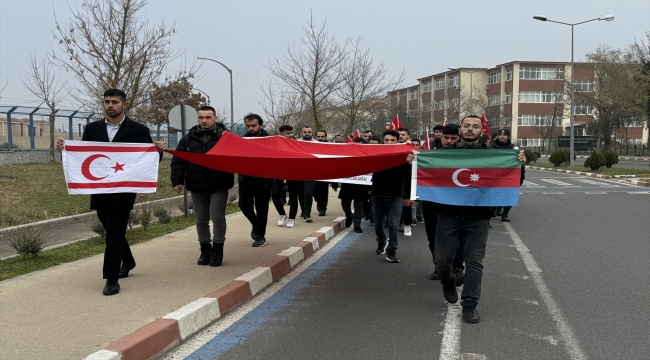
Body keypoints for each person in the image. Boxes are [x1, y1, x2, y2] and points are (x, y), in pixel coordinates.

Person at [55, 89, 167, 296]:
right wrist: (67, 150)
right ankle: (129, 261)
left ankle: (111, 279)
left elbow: (148, 161)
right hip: (98, 189)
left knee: (114, 234)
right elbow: (84, 155)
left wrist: (157, 151)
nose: (110, 105)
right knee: (111, 229)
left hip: (123, 191)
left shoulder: (138, 130)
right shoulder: (92, 128)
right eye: (106, 102)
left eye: (114, 102)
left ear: (125, 104)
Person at [434, 115, 525, 323]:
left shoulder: (493, 155)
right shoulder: (442, 154)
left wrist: (518, 164)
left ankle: (469, 305)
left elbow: (512, 181)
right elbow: (425, 175)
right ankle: (448, 281)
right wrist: (414, 163)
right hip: (448, 215)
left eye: (475, 127)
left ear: (481, 131)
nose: (470, 129)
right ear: (460, 130)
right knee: (442, 260)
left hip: (478, 217)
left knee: (474, 262)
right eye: (466, 126)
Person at [170, 106, 234, 267]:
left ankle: (218, 249)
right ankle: (205, 249)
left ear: (215, 118)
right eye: (201, 117)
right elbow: (179, 160)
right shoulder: (188, 138)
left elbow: (238, 157)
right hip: (196, 184)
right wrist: (177, 180)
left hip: (219, 183)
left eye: (208, 117)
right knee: (201, 219)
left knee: (218, 217)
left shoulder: (226, 137)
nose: (204, 121)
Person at [422, 123, 463, 281]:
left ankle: (456, 266)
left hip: (455, 205)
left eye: (454, 138)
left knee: (456, 238)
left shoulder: (468, 155)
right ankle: (438, 265)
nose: (449, 141)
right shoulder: (430, 154)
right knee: (433, 237)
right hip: (432, 202)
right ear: (440, 137)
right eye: (446, 137)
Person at [371, 130, 414, 263]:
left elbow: (410, 175)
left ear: (398, 141)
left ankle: (392, 251)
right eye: (386, 140)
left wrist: (410, 158)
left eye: (392, 140)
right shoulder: (375, 154)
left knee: (393, 224)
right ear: (382, 141)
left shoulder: (404, 156)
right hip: (378, 194)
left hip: (396, 195)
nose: (389, 143)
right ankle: (381, 241)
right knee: (378, 224)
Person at [238, 114, 273, 247]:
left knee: (262, 208)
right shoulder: (242, 140)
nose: (251, 128)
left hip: (264, 179)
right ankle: (256, 224)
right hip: (246, 178)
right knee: (244, 205)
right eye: (248, 126)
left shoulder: (269, 140)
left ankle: (260, 236)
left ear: (260, 125)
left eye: (254, 125)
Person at [339, 137, 371, 233]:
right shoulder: (346, 155)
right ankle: (349, 216)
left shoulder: (368, 156)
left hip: (361, 184)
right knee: (345, 203)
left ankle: (357, 225)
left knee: (359, 205)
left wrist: (370, 187)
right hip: (348, 183)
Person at [272, 125, 301, 228]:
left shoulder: (297, 143)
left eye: (291, 133)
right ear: (281, 134)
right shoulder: (276, 143)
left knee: (293, 197)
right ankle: (282, 214)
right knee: (275, 196)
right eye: (287, 133)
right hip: (279, 173)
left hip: (294, 174)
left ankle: (292, 219)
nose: (290, 135)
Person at [490, 129, 521, 222]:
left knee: (508, 194)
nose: (502, 136)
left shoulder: (513, 148)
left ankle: (505, 214)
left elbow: (517, 160)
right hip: (494, 174)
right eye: (500, 134)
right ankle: (495, 210)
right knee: (493, 194)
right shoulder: (491, 147)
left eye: (504, 135)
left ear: (508, 136)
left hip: (508, 174)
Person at [298, 126, 317, 222]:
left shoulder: (317, 144)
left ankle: (307, 214)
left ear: (312, 132)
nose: (307, 134)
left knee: (308, 192)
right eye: (305, 132)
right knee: (301, 193)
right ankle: (303, 210)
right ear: (302, 133)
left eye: (309, 132)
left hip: (311, 171)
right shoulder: (296, 143)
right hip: (299, 171)